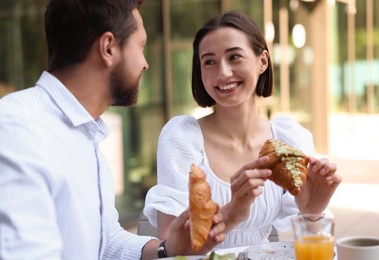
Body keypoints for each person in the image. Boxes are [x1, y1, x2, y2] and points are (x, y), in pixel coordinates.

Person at [0, 1, 226, 259]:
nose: (145, 64)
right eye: (141, 46)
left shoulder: (86, 137)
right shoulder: (17, 131)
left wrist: (167, 248)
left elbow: (107, 241)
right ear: (108, 47)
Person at [144, 11, 342, 249]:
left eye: (235, 57)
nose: (223, 72)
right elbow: (173, 247)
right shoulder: (181, 138)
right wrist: (233, 211)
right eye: (209, 61)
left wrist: (312, 211)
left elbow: (312, 249)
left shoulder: (289, 140)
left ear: (263, 61)